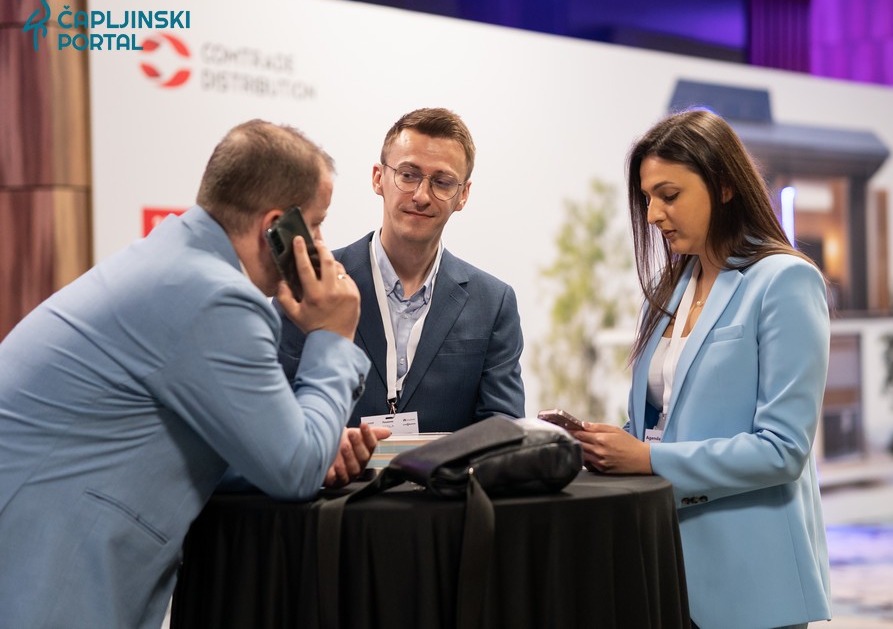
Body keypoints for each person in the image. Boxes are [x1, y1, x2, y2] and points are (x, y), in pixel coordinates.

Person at [0, 120, 389, 629]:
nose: (321, 245)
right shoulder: (213, 296)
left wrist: (308, 443)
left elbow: (193, 443)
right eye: (314, 227)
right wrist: (333, 335)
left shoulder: (177, 260)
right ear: (276, 229)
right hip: (48, 577)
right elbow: (294, 471)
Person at [574, 109, 831, 629]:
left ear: (725, 186)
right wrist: (604, 445)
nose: (652, 215)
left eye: (669, 195)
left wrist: (648, 459)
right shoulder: (668, 291)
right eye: (647, 199)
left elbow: (782, 450)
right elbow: (661, 422)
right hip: (663, 561)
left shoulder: (784, 281)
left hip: (751, 576)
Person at [278, 108, 525, 432]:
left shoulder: (493, 303)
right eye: (408, 175)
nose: (421, 196)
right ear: (378, 178)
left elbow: (503, 432)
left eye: (442, 182)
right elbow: (277, 415)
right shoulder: (310, 284)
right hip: (331, 466)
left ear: (463, 195)